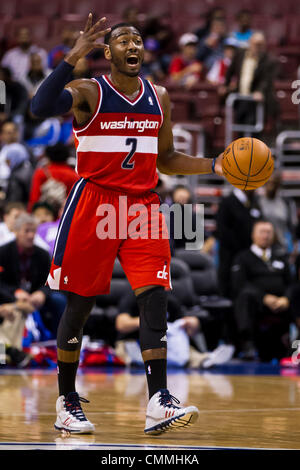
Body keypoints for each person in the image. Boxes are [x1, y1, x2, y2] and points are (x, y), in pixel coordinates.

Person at [30, 15, 224, 435]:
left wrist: (215, 164)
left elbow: (167, 159)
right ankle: (66, 401)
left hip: (142, 204)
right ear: (108, 52)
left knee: (154, 294)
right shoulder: (88, 91)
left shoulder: (160, 97)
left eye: (137, 40)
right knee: (79, 305)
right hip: (94, 200)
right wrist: (72, 57)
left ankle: (158, 399)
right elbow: (39, 107)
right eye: (123, 40)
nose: (133, 46)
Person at [231, 220, 292, 361]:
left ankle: (295, 345)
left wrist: (286, 298)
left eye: (269, 232)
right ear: (253, 235)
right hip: (256, 303)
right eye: (262, 232)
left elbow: (291, 283)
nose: (266, 236)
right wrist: (263, 297)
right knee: (244, 296)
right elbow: (239, 284)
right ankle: (248, 343)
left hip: (281, 302)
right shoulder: (242, 257)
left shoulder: (280, 256)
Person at [0, 212, 66, 337]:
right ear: (16, 232)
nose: (31, 235)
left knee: (59, 300)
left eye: (33, 231)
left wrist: (42, 293)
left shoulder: (42, 254)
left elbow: (50, 280)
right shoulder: (3, 252)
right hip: (11, 296)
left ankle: (58, 340)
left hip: (35, 297)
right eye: (27, 231)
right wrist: (15, 293)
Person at [216, 187, 262, 298]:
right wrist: (241, 249)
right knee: (230, 293)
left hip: (248, 256)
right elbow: (222, 232)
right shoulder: (227, 202)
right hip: (230, 258)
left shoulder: (254, 202)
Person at [28, 143, 79, 213]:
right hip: (65, 212)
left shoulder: (41, 173)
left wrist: (32, 212)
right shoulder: (74, 175)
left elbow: (34, 198)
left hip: (45, 213)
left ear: (48, 157)